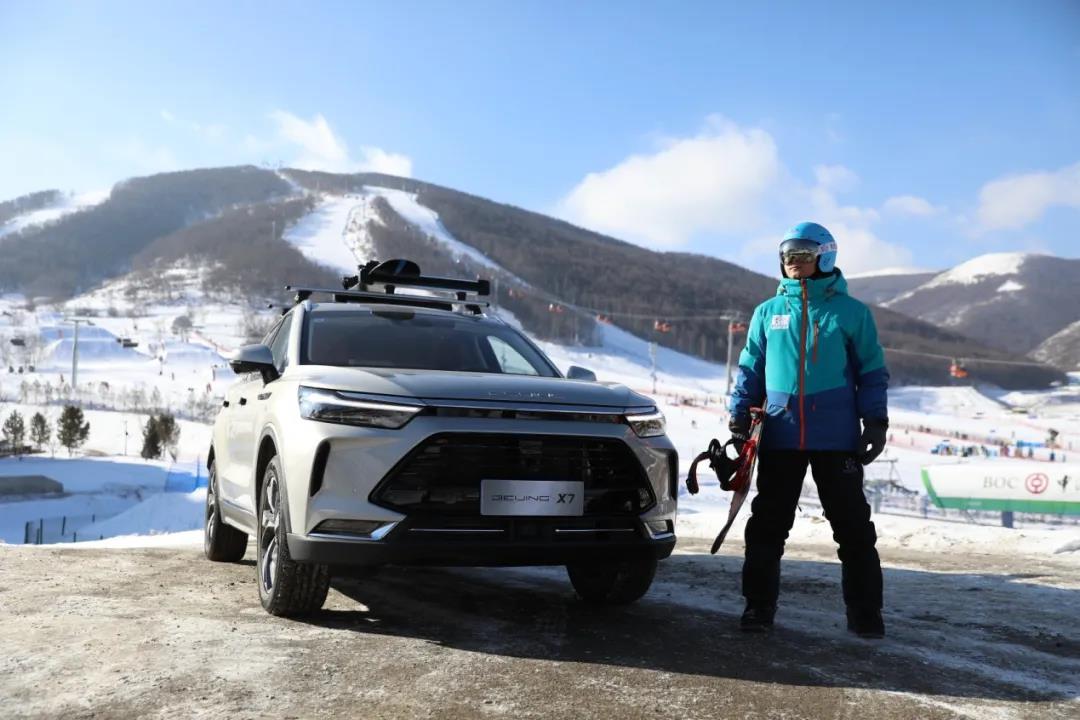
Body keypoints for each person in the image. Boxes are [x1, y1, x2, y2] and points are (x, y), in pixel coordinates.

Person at [729, 221, 889, 639]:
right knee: (767, 526)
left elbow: (872, 371)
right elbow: (750, 368)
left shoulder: (852, 314)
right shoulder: (768, 313)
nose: (792, 262)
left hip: (836, 439)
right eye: (786, 255)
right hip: (780, 436)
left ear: (825, 256)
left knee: (854, 529)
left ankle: (865, 614)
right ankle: (758, 608)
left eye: (801, 254)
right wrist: (739, 413)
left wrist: (875, 421)